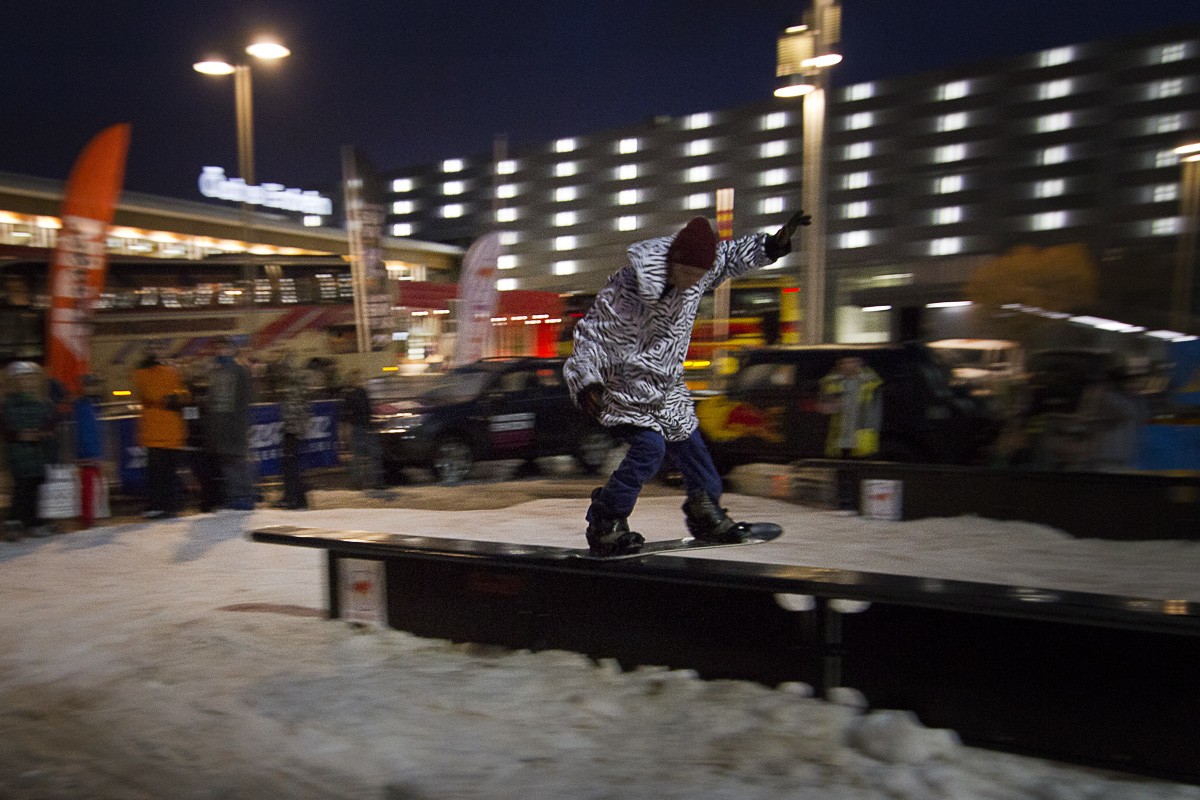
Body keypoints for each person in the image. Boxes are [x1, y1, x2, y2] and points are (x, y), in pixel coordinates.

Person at [564, 211, 810, 556]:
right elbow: (593, 336)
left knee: (693, 447)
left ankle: (704, 512)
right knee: (650, 448)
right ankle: (606, 520)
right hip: (625, 387)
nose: (694, 282)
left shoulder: (699, 272)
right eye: (688, 274)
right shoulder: (627, 289)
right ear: (673, 262)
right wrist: (587, 381)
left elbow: (729, 256)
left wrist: (771, 245)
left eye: (700, 276)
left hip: (668, 388)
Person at [819, 356, 884, 512]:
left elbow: (876, 412)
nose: (848, 365)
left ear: (860, 364)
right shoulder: (832, 383)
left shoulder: (871, 383)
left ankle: (859, 504)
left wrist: (874, 431)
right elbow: (823, 406)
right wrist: (831, 405)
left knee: (860, 473)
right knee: (842, 474)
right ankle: (843, 504)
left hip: (862, 436)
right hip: (839, 437)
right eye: (844, 362)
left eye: (852, 361)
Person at [1, 361, 56, 539]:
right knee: (22, 488)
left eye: (31, 379)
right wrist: (19, 435)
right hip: (19, 453)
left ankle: (33, 521)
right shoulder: (8, 405)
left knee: (35, 487)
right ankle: (14, 522)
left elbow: (49, 424)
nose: (28, 383)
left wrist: (42, 433)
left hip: (38, 452)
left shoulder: (42, 403)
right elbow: (5, 430)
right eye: (23, 379)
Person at [133, 347, 189, 519]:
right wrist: (176, 397)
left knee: (157, 474)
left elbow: (147, 393)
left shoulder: (141, 374)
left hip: (155, 435)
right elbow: (184, 395)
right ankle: (170, 505)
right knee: (169, 473)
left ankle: (157, 505)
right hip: (171, 434)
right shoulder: (171, 373)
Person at [205, 337, 255, 510]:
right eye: (220, 348)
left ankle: (244, 496)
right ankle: (235, 495)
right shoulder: (215, 372)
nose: (222, 351)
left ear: (233, 350)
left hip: (234, 425)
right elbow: (212, 400)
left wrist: (239, 424)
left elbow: (244, 400)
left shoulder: (240, 371)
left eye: (226, 348)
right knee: (227, 462)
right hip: (220, 425)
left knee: (237, 461)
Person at [1077, 367, 1148, 472]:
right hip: (1111, 461)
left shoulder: (1128, 400)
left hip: (1120, 461)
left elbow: (1120, 416)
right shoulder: (1128, 400)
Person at [273, 350, 311, 510]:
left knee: (290, 463)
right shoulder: (296, 381)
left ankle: (292, 498)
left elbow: (294, 407)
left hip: (293, 428)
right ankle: (299, 499)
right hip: (294, 427)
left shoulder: (293, 381)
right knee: (291, 463)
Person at [72, 374, 107, 529]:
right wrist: (90, 453)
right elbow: (85, 432)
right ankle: (87, 518)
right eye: (89, 385)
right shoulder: (83, 406)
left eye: (94, 385)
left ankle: (92, 516)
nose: (92, 388)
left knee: (94, 486)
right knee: (89, 487)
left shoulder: (94, 405)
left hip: (95, 451)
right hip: (88, 453)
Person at [342, 369, 384, 492]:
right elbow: (367, 411)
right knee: (373, 455)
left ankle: (358, 483)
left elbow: (345, 414)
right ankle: (377, 482)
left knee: (358, 457)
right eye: (362, 379)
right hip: (364, 427)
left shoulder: (350, 394)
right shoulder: (360, 394)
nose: (364, 381)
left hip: (358, 427)